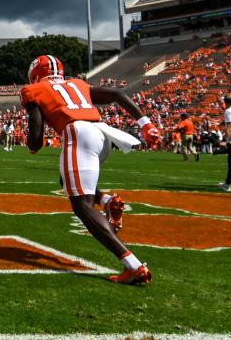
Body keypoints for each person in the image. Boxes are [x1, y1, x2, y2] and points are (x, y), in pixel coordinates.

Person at [22, 55, 160, 284]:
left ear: (36, 74)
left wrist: (33, 146)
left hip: (78, 133)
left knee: (81, 205)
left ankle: (133, 265)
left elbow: (36, 133)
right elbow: (116, 94)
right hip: (102, 133)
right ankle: (107, 202)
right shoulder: (78, 83)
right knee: (67, 182)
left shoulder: (33, 89)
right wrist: (146, 124)